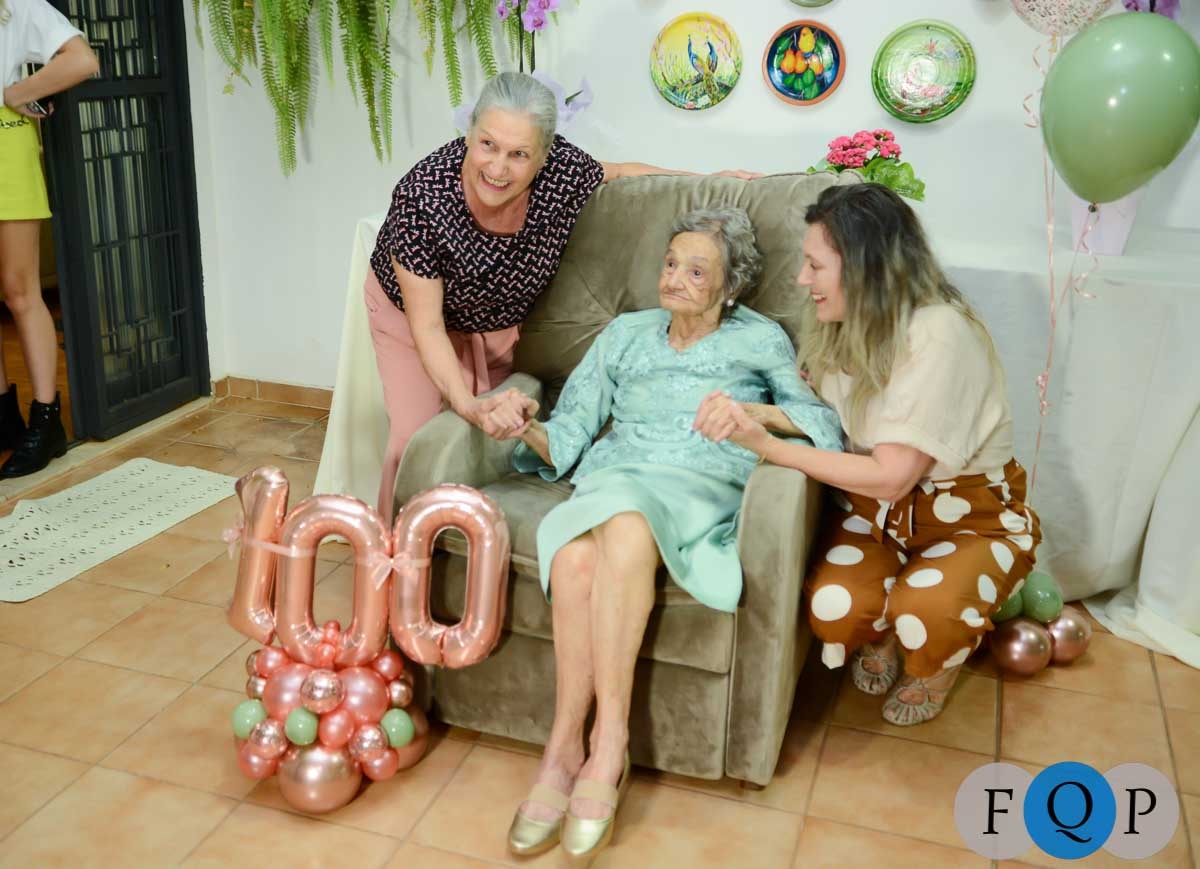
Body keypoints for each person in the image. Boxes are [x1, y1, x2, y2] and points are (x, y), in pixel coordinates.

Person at [496, 207, 843, 860]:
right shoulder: (625, 334)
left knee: (623, 524)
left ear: (730, 286)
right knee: (574, 557)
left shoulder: (760, 338)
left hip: (700, 484)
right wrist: (524, 426)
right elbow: (569, 434)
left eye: (696, 270)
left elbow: (822, 424)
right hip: (616, 475)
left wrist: (750, 412)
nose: (674, 278)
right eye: (669, 263)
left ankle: (609, 745)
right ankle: (566, 746)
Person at [694, 183, 1042, 727]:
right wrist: (761, 416)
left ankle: (934, 662)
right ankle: (886, 625)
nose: (801, 279)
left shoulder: (938, 334)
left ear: (865, 267)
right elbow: (842, 422)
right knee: (832, 608)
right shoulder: (846, 325)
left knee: (926, 613)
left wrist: (768, 449)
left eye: (815, 266)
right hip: (873, 515)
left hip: (965, 518)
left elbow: (890, 476)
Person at [366, 70, 759, 521]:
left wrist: (712, 181)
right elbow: (429, 326)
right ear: (469, 132)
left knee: (484, 442)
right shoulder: (422, 198)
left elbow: (622, 173)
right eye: (487, 144)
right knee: (415, 440)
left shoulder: (563, 172)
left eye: (519, 154)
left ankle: (462, 546)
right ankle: (393, 549)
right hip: (413, 320)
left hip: (496, 323)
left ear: (544, 155)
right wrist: (468, 404)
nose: (498, 168)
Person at [0, 0, 97, 478]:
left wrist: (17, 92)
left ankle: (46, 422)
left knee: (19, 290)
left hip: (4, 143)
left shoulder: (17, 5)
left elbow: (81, 59)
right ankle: (3, 419)